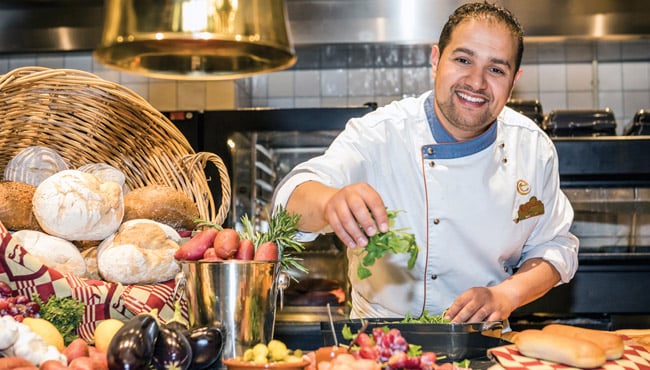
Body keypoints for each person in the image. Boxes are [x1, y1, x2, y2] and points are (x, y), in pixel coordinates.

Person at [271, 1, 578, 323]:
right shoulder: (380, 134)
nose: (476, 82)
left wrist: (507, 294)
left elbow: (554, 246)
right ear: (436, 60)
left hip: (482, 341)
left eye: (496, 69)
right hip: (378, 342)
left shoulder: (532, 147)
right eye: (463, 60)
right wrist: (329, 202)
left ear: (514, 81)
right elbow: (288, 202)